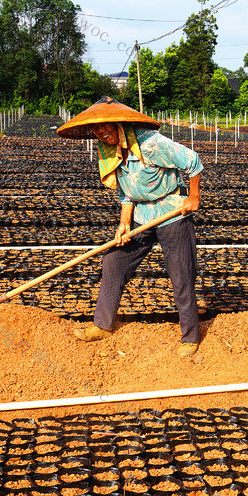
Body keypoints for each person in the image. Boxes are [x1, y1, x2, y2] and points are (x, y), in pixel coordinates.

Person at [56, 97, 203, 357]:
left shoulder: (150, 143)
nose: (101, 131)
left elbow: (193, 161)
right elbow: (125, 192)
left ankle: (190, 337)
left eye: (106, 125)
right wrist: (124, 223)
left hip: (171, 212)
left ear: (120, 125)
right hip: (141, 216)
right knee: (114, 261)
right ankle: (103, 325)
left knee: (181, 273)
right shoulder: (109, 152)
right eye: (96, 128)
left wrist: (193, 197)